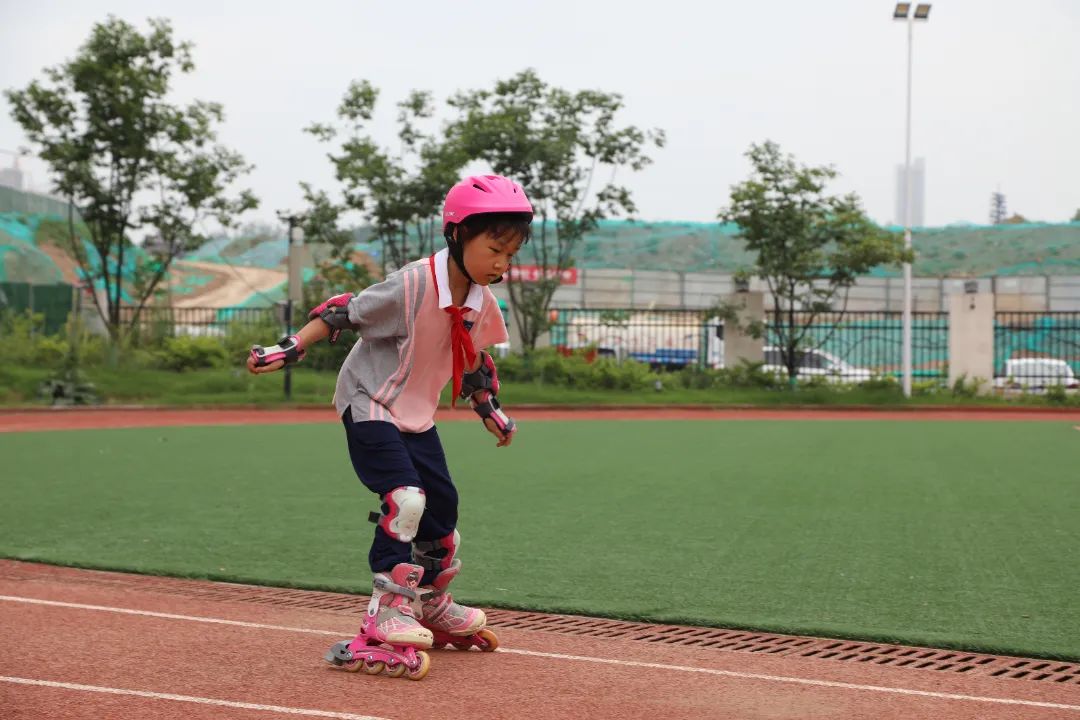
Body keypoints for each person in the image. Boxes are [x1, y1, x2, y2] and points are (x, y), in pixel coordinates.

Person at [247, 174, 532, 680]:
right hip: (369, 402)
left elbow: (472, 360)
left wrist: (488, 408)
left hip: (416, 415)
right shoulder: (415, 283)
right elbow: (343, 313)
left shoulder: (480, 303)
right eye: (494, 248)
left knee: (443, 510)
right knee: (407, 500)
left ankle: (429, 602)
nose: (502, 263)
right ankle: (385, 612)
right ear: (457, 236)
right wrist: (292, 346)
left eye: (510, 253)